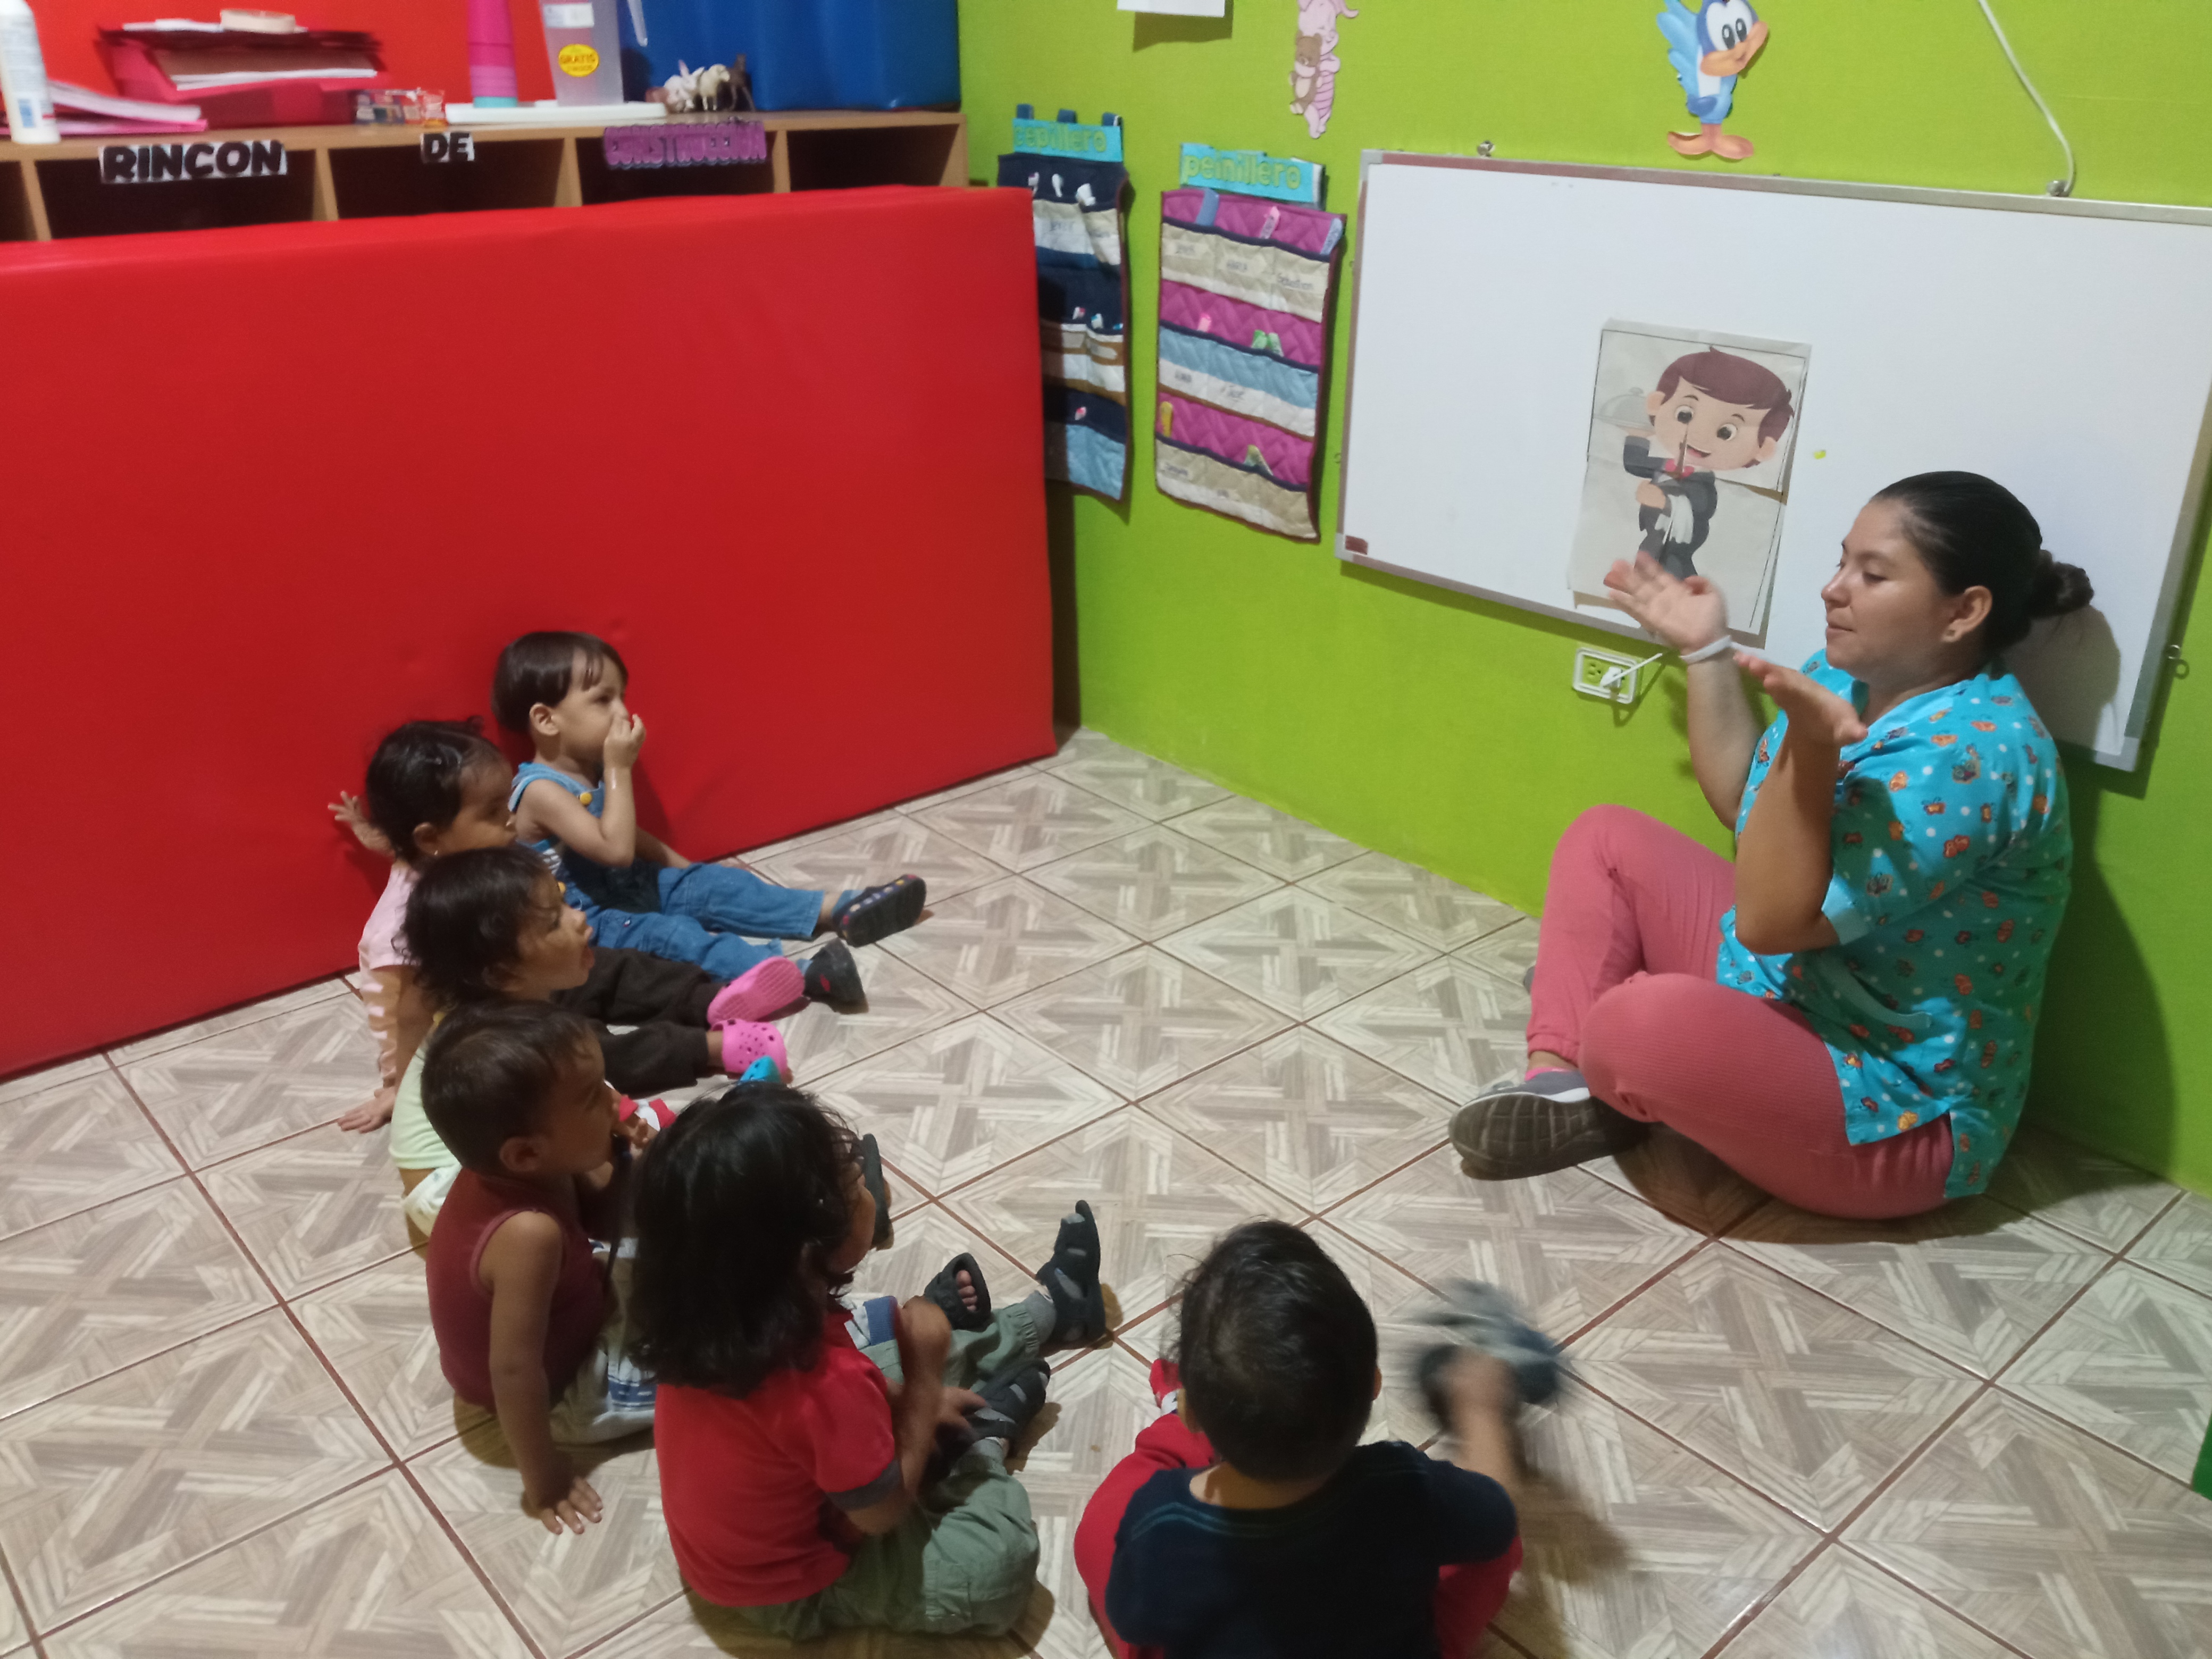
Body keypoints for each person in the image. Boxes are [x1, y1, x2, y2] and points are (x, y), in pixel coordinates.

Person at [1452, 471, 2093, 1217]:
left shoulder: (1973, 756)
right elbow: (1744, 809)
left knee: (1637, 1024)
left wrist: (1813, 752)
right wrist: (1706, 652)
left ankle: (1617, 1047)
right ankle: (1561, 1084)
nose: (1832, 589)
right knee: (1607, 839)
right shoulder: (1847, 676)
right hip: (1793, 988)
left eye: (1872, 574)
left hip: (1892, 1111)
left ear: (1963, 612)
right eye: (1841, 561)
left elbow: (1770, 922)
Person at [632, 1085, 1110, 1641]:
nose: (869, 1189)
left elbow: (812, 1417)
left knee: (894, 1353)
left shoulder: (718, 1324)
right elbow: (882, 1514)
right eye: (855, 1186)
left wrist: (909, 1397)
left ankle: (1052, 1312)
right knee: (997, 1568)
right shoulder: (823, 1383)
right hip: (792, 1583)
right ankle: (983, 1446)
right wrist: (924, 1384)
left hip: (771, 1516)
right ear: (809, 1251)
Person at [336, 719, 853, 1133]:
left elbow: (400, 846)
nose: (511, 821)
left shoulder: (459, 855)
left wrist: (368, 831)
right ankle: (712, 1049)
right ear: (431, 839)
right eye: (493, 813)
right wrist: (398, 1086)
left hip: (527, 982)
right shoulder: (408, 924)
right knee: (581, 1052)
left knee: (614, 968)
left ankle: (713, 1001)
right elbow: (406, 1013)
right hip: (496, 1032)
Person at [1076, 1221, 1523, 1658]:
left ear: (1195, 1414)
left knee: (1099, 1531)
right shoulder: (1407, 1487)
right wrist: (1479, 1411)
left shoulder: (1163, 1522)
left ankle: (1176, 1415)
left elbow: (1133, 1620)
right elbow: (1498, 1520)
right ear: (1373, 1385)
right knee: (1492, 1534)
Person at [390, 845, 789, 1226]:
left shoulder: (512, 1005)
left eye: (563, 902)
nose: (578, 917)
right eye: (554, 921)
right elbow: (569, 1092)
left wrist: (624, 1115)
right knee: (609, 1168)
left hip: (494, 1151)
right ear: (502, 972)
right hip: (450, 1187)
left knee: (622, 1127)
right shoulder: (501, 1041)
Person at [494, 631, 927, 977]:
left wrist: (691, 874)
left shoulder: (591, 770)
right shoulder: (540, 791)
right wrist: (619, 769)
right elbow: (615, 849)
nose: (623, 712)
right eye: (603, 700)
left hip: (637, 887)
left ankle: (838, 908)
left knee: (723, 886)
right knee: (676, 937)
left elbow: (629, 836)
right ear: (546, 720)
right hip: (596, 921)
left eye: (622, 696)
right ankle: (793, 974)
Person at [421, 1001, 658, 1534]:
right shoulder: (528, 1236)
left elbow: (604, 1216)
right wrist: (544, 1479)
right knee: (707, 1368)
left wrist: (627, 1162)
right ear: (525, 1154)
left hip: (577, 1306)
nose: (616, 1100)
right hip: (558, 1394)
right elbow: (513, 1371)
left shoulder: (535, 1167)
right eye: (593, 1097)